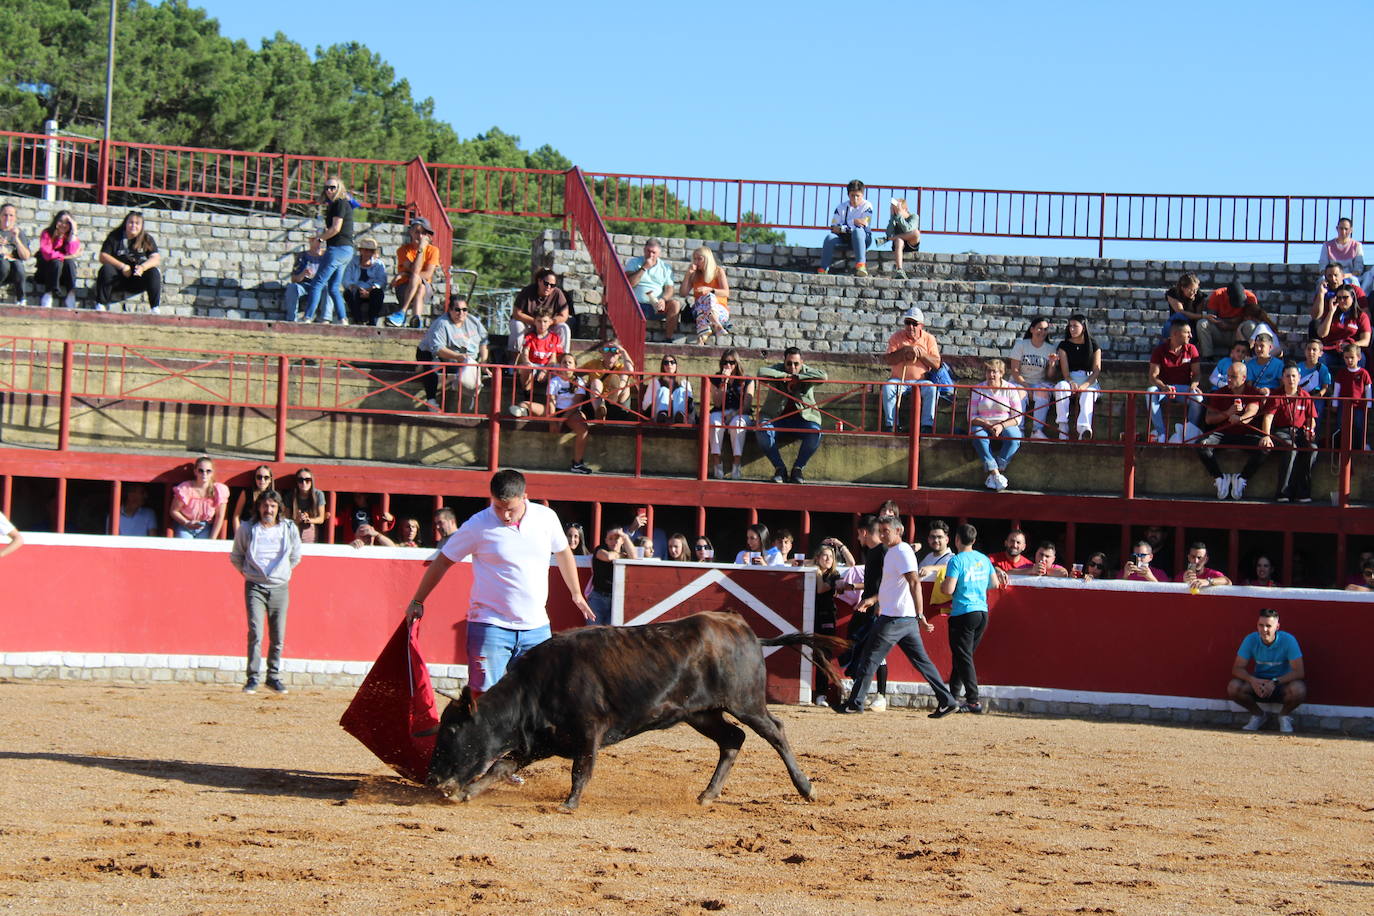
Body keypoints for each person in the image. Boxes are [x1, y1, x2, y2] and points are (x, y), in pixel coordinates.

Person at [404, 470, 594, 694]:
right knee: (483, 697)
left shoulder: (546, 518)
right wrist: (418, 599)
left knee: (538, 697)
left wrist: (576, 593)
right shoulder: (478, 524)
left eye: (510, 509)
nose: (504, 515)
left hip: (536, 627)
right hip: (489, 625)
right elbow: (443, 561)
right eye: (498, 507)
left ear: (525, 497)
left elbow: (563, 553)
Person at [836, 515, 959, 717]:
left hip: (894, 618)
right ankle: (947, 700)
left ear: (898, 531)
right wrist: (873, 600)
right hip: (903, 618)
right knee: (922, 662)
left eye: (887, 531)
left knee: (869, 658)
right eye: (881, 531)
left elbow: (914, 583)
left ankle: (855, 703)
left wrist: (920, 614)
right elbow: (892, 585)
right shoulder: (895, 552)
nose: (883, 535)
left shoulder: (901, 551)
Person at [230, 489, 301, 695]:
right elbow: (236, 556)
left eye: (272, 506)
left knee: (278, 635)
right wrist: (249, 573)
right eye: (265, 505)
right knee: (256, 632)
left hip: (280, 586)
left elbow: (296, 555)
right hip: (255, 586)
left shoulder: (289, 528)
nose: (268, 509)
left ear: (278, 508)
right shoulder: (248, 528)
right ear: (259, 507)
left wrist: (282, 573)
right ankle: (252, 678)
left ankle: (273, 676)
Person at [938, 523, 1008, 714]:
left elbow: (949, 589)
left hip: (963, 612)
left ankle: (973, 700)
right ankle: (951, 697)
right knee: (962, 657)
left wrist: (945, 584)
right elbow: (993, 584)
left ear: (957, 539)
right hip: (982, 612)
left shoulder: (956, 560)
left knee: (963, 657)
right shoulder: (984, 559)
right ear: (974, 540)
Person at [1227, 608, 1305, 733]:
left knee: (1299, 689)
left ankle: (1284, 716)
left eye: (1268, 626)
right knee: (1233, 687)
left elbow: (1299, 672)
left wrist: (1274, 682)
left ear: (1277, 627)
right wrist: (1253, 680)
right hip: (1258, 684)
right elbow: (1237, 668)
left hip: (1281, 685)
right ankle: (1258, 715)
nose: (1264, 630)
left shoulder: (1288, 640)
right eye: (1260, 625)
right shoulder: (1251, 639)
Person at [756, 347, 828, 484]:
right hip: (776, 418)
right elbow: (761, 372)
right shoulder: (778, 369)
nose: (792, 367)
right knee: (762, 430)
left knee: (815, 432)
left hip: (803, 419)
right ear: (784, 362)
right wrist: (787, 377)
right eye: (789, 363)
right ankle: (780, 468)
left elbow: (823, 376)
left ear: (802, 362)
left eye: (796, 364)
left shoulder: (806, 371)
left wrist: (798, 378)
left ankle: (798, 468)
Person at [1197, 361, 1266, 500]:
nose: (1228, 379)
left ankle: (1242, 479)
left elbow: (1252, 412)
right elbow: (1209, 419)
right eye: (1228, 376)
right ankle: (1219, 478)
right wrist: (1227, 413)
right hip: (1223, 433)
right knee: (1202, 444)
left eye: (1233, 376)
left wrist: (1240, 419)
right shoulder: (1220, 392)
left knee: (1265, 448)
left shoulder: (1252, 393)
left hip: (1246, 434)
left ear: (1243, 378)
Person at [1260, 362, 1319, 502]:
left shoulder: (1305, 396)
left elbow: (1311, 418)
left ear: (1299, 378)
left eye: (1294, 376)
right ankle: (1283, 492)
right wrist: (1266, 436)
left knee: (1313, 449)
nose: (1291, 379)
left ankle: (1303, 492)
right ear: (1282, 378)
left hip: (1300, 432)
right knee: (1291, 448)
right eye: (1288, 376)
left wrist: (1310, 430)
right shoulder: (1276, 395)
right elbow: (1268, 417)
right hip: (1282, 432)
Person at [417, 298, 488, 412]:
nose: (461, 313)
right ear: (450, 310)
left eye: (464, 310)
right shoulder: (441, 324)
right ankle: (431, 401)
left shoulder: (474, 322)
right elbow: (438, 349)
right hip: (432, 353)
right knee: (432, 367)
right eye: (457, 310)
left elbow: (484, 343)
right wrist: (457, 357)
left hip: (462, 358)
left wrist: (484, 361)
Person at [301, 176, 354, 324]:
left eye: (333, 187)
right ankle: (343, 319)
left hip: (337, 249)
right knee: (333, 287)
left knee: (317, 283)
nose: (329, 190)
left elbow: (336, 228)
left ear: (340, 188)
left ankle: (307, 317)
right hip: (346, 250)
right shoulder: (338, 204)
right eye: (327, 188)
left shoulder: (340, 203)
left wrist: (320, 240)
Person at [881, 305, 943, 433]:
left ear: (921, 325)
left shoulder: (928, 339)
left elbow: (937, 363)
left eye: (914, 324)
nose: (910, 327)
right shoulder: (896, 337)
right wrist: (904, 351)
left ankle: (926, 425)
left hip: (920, 381)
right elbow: (888, 359)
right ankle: (891, 424)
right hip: (899, 380)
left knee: (931, 388)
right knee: (888, 388)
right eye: (907, 323)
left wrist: (922, 354)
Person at [969, 357, 1025, 491]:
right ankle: (996, 473)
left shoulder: (1010, 388)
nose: (991, 375)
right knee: (978, 436)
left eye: (995, 371)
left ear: (1001, 373)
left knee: (1014, 438)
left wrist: (1001, 425)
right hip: (983, 423)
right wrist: (987, 424)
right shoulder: (978, 389)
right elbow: (971, 416)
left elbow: (1017, 416)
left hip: (1005, 423)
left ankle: (995, 471)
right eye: (988, 371)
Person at [1147, 321, 1204, 443]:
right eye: (1187, 332)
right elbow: (1153, 376)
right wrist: (1163, 387)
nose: (1191, 336)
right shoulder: (1160, 350)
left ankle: (1188, 434)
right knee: (1150, 392)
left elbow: (1197, 373)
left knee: (1198, 398)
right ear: (1175, 334)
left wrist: (1193, 385)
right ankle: (1161, 434)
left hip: (1183, 389)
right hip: (1164, 389)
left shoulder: (1192, 349)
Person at [1009, 316, 1060, 439]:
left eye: (1045, 329)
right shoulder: (1021, 345)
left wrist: (1052, 364)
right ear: (1032, 329)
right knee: (1019, 394)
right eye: (1039, 329)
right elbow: (1015, 371)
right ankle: (1018, 430)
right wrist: (1027, 387)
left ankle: (1036, 431)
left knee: (1043, 394)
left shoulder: (1050, 348)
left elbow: (1050, 376)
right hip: (1020, 382)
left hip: (1039, 383)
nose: (1042, 332)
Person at [1052, 314, 1101, 440]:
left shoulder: (1094, 345)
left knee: (1088, 393)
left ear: (1083, 327)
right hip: (1071, 379)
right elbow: (1065, 372)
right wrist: (1071, 381)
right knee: (1061, 386)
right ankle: (1062, 426)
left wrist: (1085, 385)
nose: (1072, 329)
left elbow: (1096, 370)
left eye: (1075, 326)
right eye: (1070, 326)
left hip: (1089, 380)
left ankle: (1084, 429)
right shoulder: (1064, 345)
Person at [708, 349, 754, 480]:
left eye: (731, 362)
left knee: (737, 424)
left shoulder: (747, 379)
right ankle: (717, 462)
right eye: (725, 362)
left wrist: (733, 414)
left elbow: (747, 405)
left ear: (737, 363)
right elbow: (717, 402)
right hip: (720, 411)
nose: (728, 365)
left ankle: (736, 463)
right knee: (715, 422)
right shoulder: (715, 379)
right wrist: (724, 381)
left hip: (740, 413)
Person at [387, 218, 441, 329]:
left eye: (423, 233)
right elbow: (416, 271)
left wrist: (405, 274)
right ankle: (416, 319)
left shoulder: (433, 251)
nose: (420, 236)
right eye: (417, 232)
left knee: (419, 283)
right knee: (419, 286)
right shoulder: (403, 250)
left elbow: (427, 275)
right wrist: (420, 251)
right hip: (404, 288)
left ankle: (402, 312)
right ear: (410, 232)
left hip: (425, 288)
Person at [624, 238, 681, 341]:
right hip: (637, 305)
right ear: (644, 250)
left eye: (653, 252)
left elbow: (669, 289)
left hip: (656, 305)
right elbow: (630, 283)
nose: (650, 255)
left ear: (659, 253)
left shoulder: (665, 268)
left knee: (675, 304)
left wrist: (663, 299)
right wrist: (644, 268)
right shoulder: (634, 262)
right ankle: (632, 338)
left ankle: (668, 338)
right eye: (648, 251)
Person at [509, 314, 564, 415]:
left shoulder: (554, 337)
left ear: (550, 322)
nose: (542, 324)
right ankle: (527, 395)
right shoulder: (530, 336)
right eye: (539, 321)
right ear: (535, 322)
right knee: (525, 368)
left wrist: (544, 370)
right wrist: (527, 362)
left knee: (557, 369)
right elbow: (525, 353)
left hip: (547, 367)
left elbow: (553, 359)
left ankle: (556, 401)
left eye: (545, 321)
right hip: (533, 364)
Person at [819, 179, 874, 277]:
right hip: (844, 238)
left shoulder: (867, 206)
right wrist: (853, 222)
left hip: (863, 238)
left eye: (858, 196)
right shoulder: (841, 207)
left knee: (858, 231)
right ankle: (823, 268)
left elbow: (864, 223)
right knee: (829, 238)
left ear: (862, 195)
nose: (855, 199)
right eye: (853, 195)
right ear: (848, 195)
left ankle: (861, 265)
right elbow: (833, 228)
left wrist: (844, 226)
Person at [1310, 284, 1370, 373]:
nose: (1342, 300)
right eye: (1339, 298)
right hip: (1331, 350)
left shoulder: (1361, 316)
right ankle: (1325, 386)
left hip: (1350, 351)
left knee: (1360, 358)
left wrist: (1350, 345)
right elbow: (1321, 334)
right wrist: (1331, 312)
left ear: (1352, 298)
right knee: (1320, 358)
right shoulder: (1331, 313)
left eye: (1345, 297)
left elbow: (1365, 341)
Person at [509, 267, 570, 353]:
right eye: (546, 283)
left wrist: (550, 322)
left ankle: (563, 358)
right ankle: (513, 360)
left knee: (564, 328)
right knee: (517, 325)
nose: (549, 287)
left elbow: (564, 315)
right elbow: (516, 313)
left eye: (552, 285)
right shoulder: (527, 291)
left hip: (547, 324)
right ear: (539, 281)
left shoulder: (557, 293)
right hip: (528, 324)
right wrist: (535, 322)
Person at [1195, 281, 1260, 358]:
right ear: (1227, 296)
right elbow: (1212, 318)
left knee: (1251, 325)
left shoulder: (1251, 298)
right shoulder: (1217, 295)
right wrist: (1232, 321)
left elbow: (1254, 319)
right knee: (1202, 323)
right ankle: (1208, 356)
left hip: (1238, 333)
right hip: (1220, 332)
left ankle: (1248, 355)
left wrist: (1230, 324)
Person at [170, 456, 229, 539]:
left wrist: (212, 538)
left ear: (212, 472)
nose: (204, 474)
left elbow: (220, 516)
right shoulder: (185, 488)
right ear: (195, 472)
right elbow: (174, 511)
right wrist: (186, 523)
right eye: (201, 471)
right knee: (184, 549)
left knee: (204, 548)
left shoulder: (219, 490)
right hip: (185, 525)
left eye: (208, 471)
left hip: (205, 527)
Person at [681, 246, 730, 344]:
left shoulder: (718, 271)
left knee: (709, 298)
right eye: (694, 259)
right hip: (699, 308)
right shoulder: (694, 274)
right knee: (704, 305)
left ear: (707, 259)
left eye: (699, 259)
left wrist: (710, 290)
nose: (696, 262)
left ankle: (702, 338)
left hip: (720, 311)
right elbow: (683, 293)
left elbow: (726, 293)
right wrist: (687, 275)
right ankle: (716, 324)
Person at [586, 526, 635, 625]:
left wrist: (625, 536)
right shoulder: (600, 549)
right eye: (610, 538)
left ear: (622, 541)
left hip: (616, 599)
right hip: (598, 597)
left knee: (611, 635)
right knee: (593, 633)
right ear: (606, 541)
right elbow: (608, 556)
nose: (614, 541)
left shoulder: (625, 552)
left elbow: (634, 557)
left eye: (617, 538)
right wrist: (621, 555)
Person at [1330, 341, 1372, 450]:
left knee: (1359, 426)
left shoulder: (1364, 373)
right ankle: (1338, 447)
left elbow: (1368, 390)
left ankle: (1360, 446)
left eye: (1351, 357)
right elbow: (1337, 389)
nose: (1349, 360)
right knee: (1340, 426)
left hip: (1359, 407)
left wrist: (1369, 405)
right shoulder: (1342, 373)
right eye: (1346, 357)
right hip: (1343, 406)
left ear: (1358, 357)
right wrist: (1335, 404)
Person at [35, 209, 80, 309]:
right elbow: (47, 254)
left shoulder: (71, 237)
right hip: (46, 272)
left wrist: (74, 232)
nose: (63, 225)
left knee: (70, 262)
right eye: (61, 221)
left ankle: (71, 295)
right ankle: (48, 294)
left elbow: (71, 252)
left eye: (67, 223)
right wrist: (64, 256)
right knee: (56, 262)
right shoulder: (47, 233)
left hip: (63, 276)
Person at [583, 337, 637, 421]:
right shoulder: (594, 364)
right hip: (596, 402)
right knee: (596, 382)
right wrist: (582, 381)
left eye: (613, 350)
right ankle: (599, 412)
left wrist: (623, 351)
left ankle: (614, 394)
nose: (609, 352)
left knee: (625, 377)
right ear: (602, 352)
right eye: (606, 349)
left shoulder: (622, 367)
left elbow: (630, 370)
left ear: (619, 353)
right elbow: (574, 374)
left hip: (617, 404)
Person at [342, 236, 388, 326]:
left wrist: (370, 289)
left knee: (378, 293)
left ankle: (372, 322)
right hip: (357, 290)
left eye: (371, 250)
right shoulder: (352, 262)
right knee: (349, 293)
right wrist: (356, 287)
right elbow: (346, 280)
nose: (368, 253)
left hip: (372, 290)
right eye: (365, 250)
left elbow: (382, 281)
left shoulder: (379, 264)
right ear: (361, 250)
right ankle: (358, 321)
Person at [642, 354, 693, 424]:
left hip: (681, 416)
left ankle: (680, 416)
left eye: (672, 362)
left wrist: (673, 399)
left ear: (676, 365)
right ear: (662, 366)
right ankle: (662, 415)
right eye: (666, 362)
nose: (669, 364)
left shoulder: (684, 382)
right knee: (664, 390)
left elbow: (690, 403)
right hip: (657, 415)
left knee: (680, 391)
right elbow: (645, 405)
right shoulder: (656, 382)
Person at [283, 236, 325, 321]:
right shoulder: (302, 256)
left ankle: (325, 319)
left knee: (328, 289)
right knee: (292, 287)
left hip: (321, 286)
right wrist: (303, 273)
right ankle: (292, 319)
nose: (317, 243)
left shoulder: (327, 257)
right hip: (304, 284)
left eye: (319, 240)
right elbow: (294, 279)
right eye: (314, 240)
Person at [282, 468, 326, 543]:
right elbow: (287, 519)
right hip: (294, 527)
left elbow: (321, 519)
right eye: (300, 480)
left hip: (310, 527)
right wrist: (297, 520)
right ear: (297, 482)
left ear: (312, 481)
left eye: (307, 480)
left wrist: (309, 520)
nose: (304, 483)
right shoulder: (290, 496)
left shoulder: (318, 494)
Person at [0, 202, 32, 305]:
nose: (7, 218)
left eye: (11, 215)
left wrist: (16, 240)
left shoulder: (19, 233)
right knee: (3, 264)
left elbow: (26, 256)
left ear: (15, 218)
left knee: (18, 265)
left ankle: (21, 299)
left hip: (13, 271)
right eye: (5, 215)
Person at [231, 465, 276, 535]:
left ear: (270, 480)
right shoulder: (246, 493)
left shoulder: (274, 496)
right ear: (255, 479)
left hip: (266, 531)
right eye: (259, 477)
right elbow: (236, 516)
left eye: (266, 477)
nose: (262, 480)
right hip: (247, 529)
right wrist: (238, 535)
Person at [1160, 272, 1205, 340]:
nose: (1194, 292)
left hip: (1191, 326)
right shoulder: (1173, 293)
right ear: (1183, 288)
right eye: (1191, 290)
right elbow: (1180, 312)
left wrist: (1191, 302)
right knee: (1179, 316)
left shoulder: (1199, 295)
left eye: (1196, 289)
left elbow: (1197, 317)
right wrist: (1204, 316)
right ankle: (1164, 345)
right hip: (1176, 323)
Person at [883, 197, 920, 277]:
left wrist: (899, 216)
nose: (897, 213)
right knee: (899, 240)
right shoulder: (895, 218)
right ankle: (900, 269)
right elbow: (889, 233)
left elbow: (908, 229)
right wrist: (892, 217)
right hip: (899, 244)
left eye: (898, 210)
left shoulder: (914, 216)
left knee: (916, 233)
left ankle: (894, 238)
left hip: (911, 243)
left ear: (905, 209)